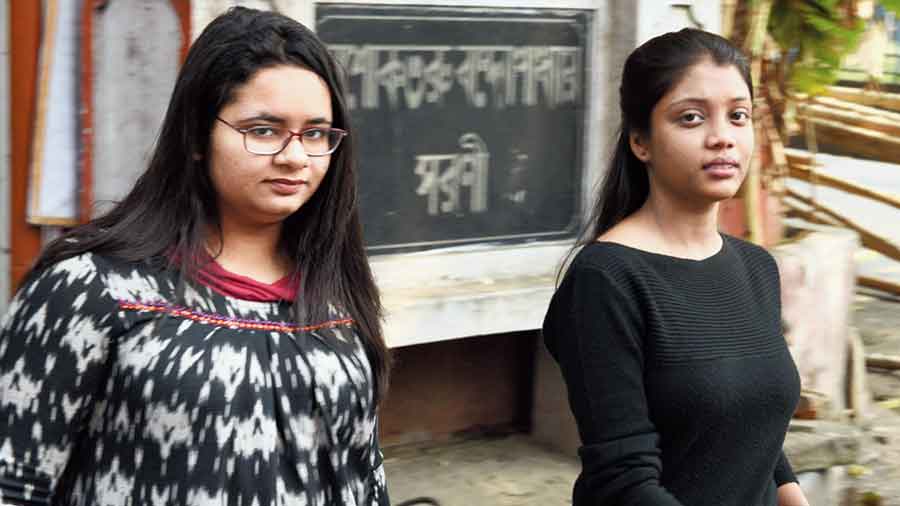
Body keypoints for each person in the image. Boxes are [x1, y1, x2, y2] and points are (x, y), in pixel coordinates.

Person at [0, 7, 390, 505]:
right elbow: (15, 482)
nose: (295, 157)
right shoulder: (92, 287)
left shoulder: (335, 292)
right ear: (198, 137)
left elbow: (366, 476)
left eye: (316, 133)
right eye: (264, 130)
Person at [542, 29, 809, 506]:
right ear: (641, 141)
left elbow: (755, 433)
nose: (722, 137)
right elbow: (623, 481)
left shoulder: (756, 268)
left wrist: (792, 495)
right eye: (691, 118)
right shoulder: (605, 280)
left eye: (738, 116)